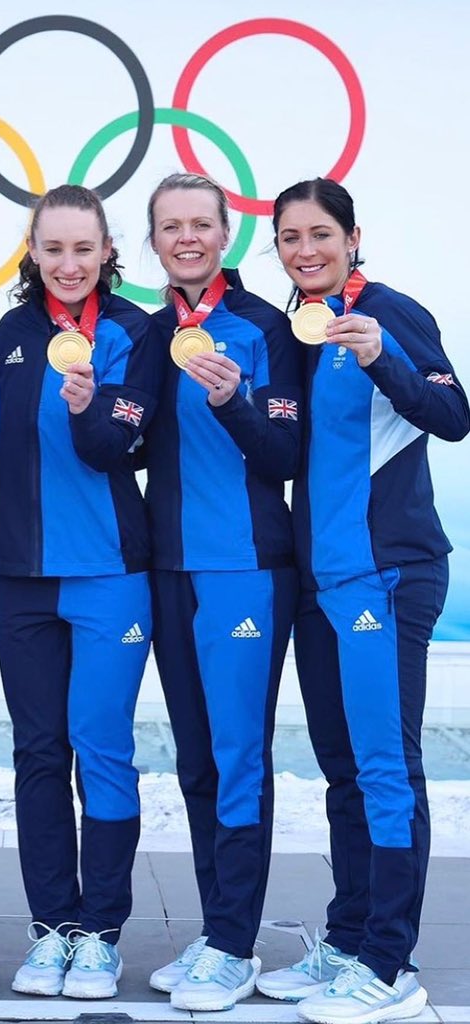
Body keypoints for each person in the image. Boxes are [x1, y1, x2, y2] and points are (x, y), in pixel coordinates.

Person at [255, 178, 470, 1024]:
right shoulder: (297, 332)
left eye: (319, 234)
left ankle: (391, 964)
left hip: (387, 572)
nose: (304, 251)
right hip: (322, 581)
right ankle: (349, 940)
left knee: (386, 769)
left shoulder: (388, 311)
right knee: (343, 770)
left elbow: (453, 414)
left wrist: (386, 356)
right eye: (288, 238)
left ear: (352, 236)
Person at [0, 184, 157, 999]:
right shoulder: (10, 333)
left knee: (102, 747)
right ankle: (52, 926)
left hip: (111, 575)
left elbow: (125, 443)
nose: (67, 264)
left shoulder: (136, 330)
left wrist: (93, 408)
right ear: (32, 250)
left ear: (105, 251)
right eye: (52, 249)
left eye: (82, 249)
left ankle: (101, 931)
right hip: (20, 576)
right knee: (37, 753)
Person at [139, 173, 301, 1011]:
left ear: (226, 234)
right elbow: (125, 441)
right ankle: (215, 930)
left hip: (245, 568)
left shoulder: (264, 326)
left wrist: (236, 399)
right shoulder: (148, 328)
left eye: (201, 224)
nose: (188, 238)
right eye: (172, 226)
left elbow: (286, 454)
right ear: (156, 239)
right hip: (170, 572)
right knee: (198, 760)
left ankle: (236, 944)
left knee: (240, 757)